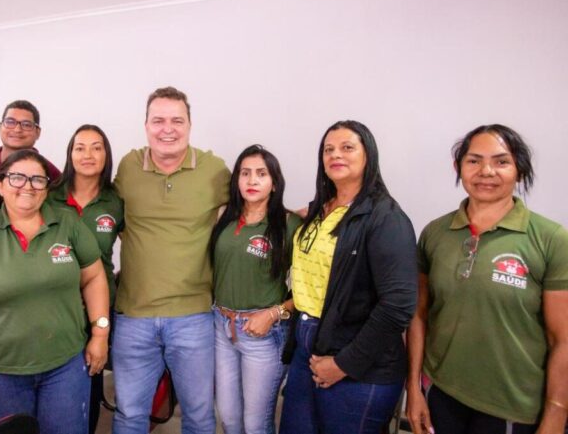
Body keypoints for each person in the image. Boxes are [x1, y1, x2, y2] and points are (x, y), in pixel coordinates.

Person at [406, 124, 568, 434]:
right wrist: (413, 388)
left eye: (501, 161)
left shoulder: (551, 239)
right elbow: (419, 315)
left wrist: (556, 415)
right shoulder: (436, 233)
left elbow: (563, 339)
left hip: (511, 406)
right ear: (458, 167)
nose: (486, 171)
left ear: (519, 170)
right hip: (441, 392)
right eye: (474, 160)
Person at [0, 149, 110, 434]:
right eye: (17, 178)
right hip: (0, 371)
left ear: (46, 188)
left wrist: (100, 334)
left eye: (37, 179)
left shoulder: (68, 224)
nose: (28, 186)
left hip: (66, 364)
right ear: (0, 184)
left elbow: (94, 278)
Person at [278, 120, 417, 434]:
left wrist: (344, 364)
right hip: (306, 344)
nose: (335, 155)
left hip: (358, 361)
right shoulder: (320, 210)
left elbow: (398, 305)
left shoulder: (386, 218)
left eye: (347, 147)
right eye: (328, 149)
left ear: (368, 155)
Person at [112, 86, 231, 434]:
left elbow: (254, 209)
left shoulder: (214, 169)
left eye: (177, 121)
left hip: (193, 315)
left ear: (190, 125)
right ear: (145, 125)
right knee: (129, 415)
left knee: (199, 415)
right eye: (158, 120)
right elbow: (107, 213)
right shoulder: (129, 166)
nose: (168, 129)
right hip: (134, 315)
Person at [209, 145, 301, 434]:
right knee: (229, 418)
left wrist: (273, 314)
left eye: (261, 174)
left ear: (274, 183)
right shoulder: (223, 216)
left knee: (255, 424)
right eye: (245, 173)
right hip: (222, 325)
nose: (252, 180)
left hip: (263, 332)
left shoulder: (289, 224)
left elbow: (309, 290)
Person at [48, 124, 123, 434]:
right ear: (70, 154)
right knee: (55, 388)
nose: (88, 154)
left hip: (99, 307)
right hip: (54, 306)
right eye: (80, 147)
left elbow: (140, 245)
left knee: (90, 382)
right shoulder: (48, 195)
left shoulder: (116, 201)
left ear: (106, 155)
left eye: (96, 147)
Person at [0, 99, 61, 199]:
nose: (17, 129)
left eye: (26, 125)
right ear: (0, 127)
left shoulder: (52, 173)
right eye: (10, 122)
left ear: (38, 132)